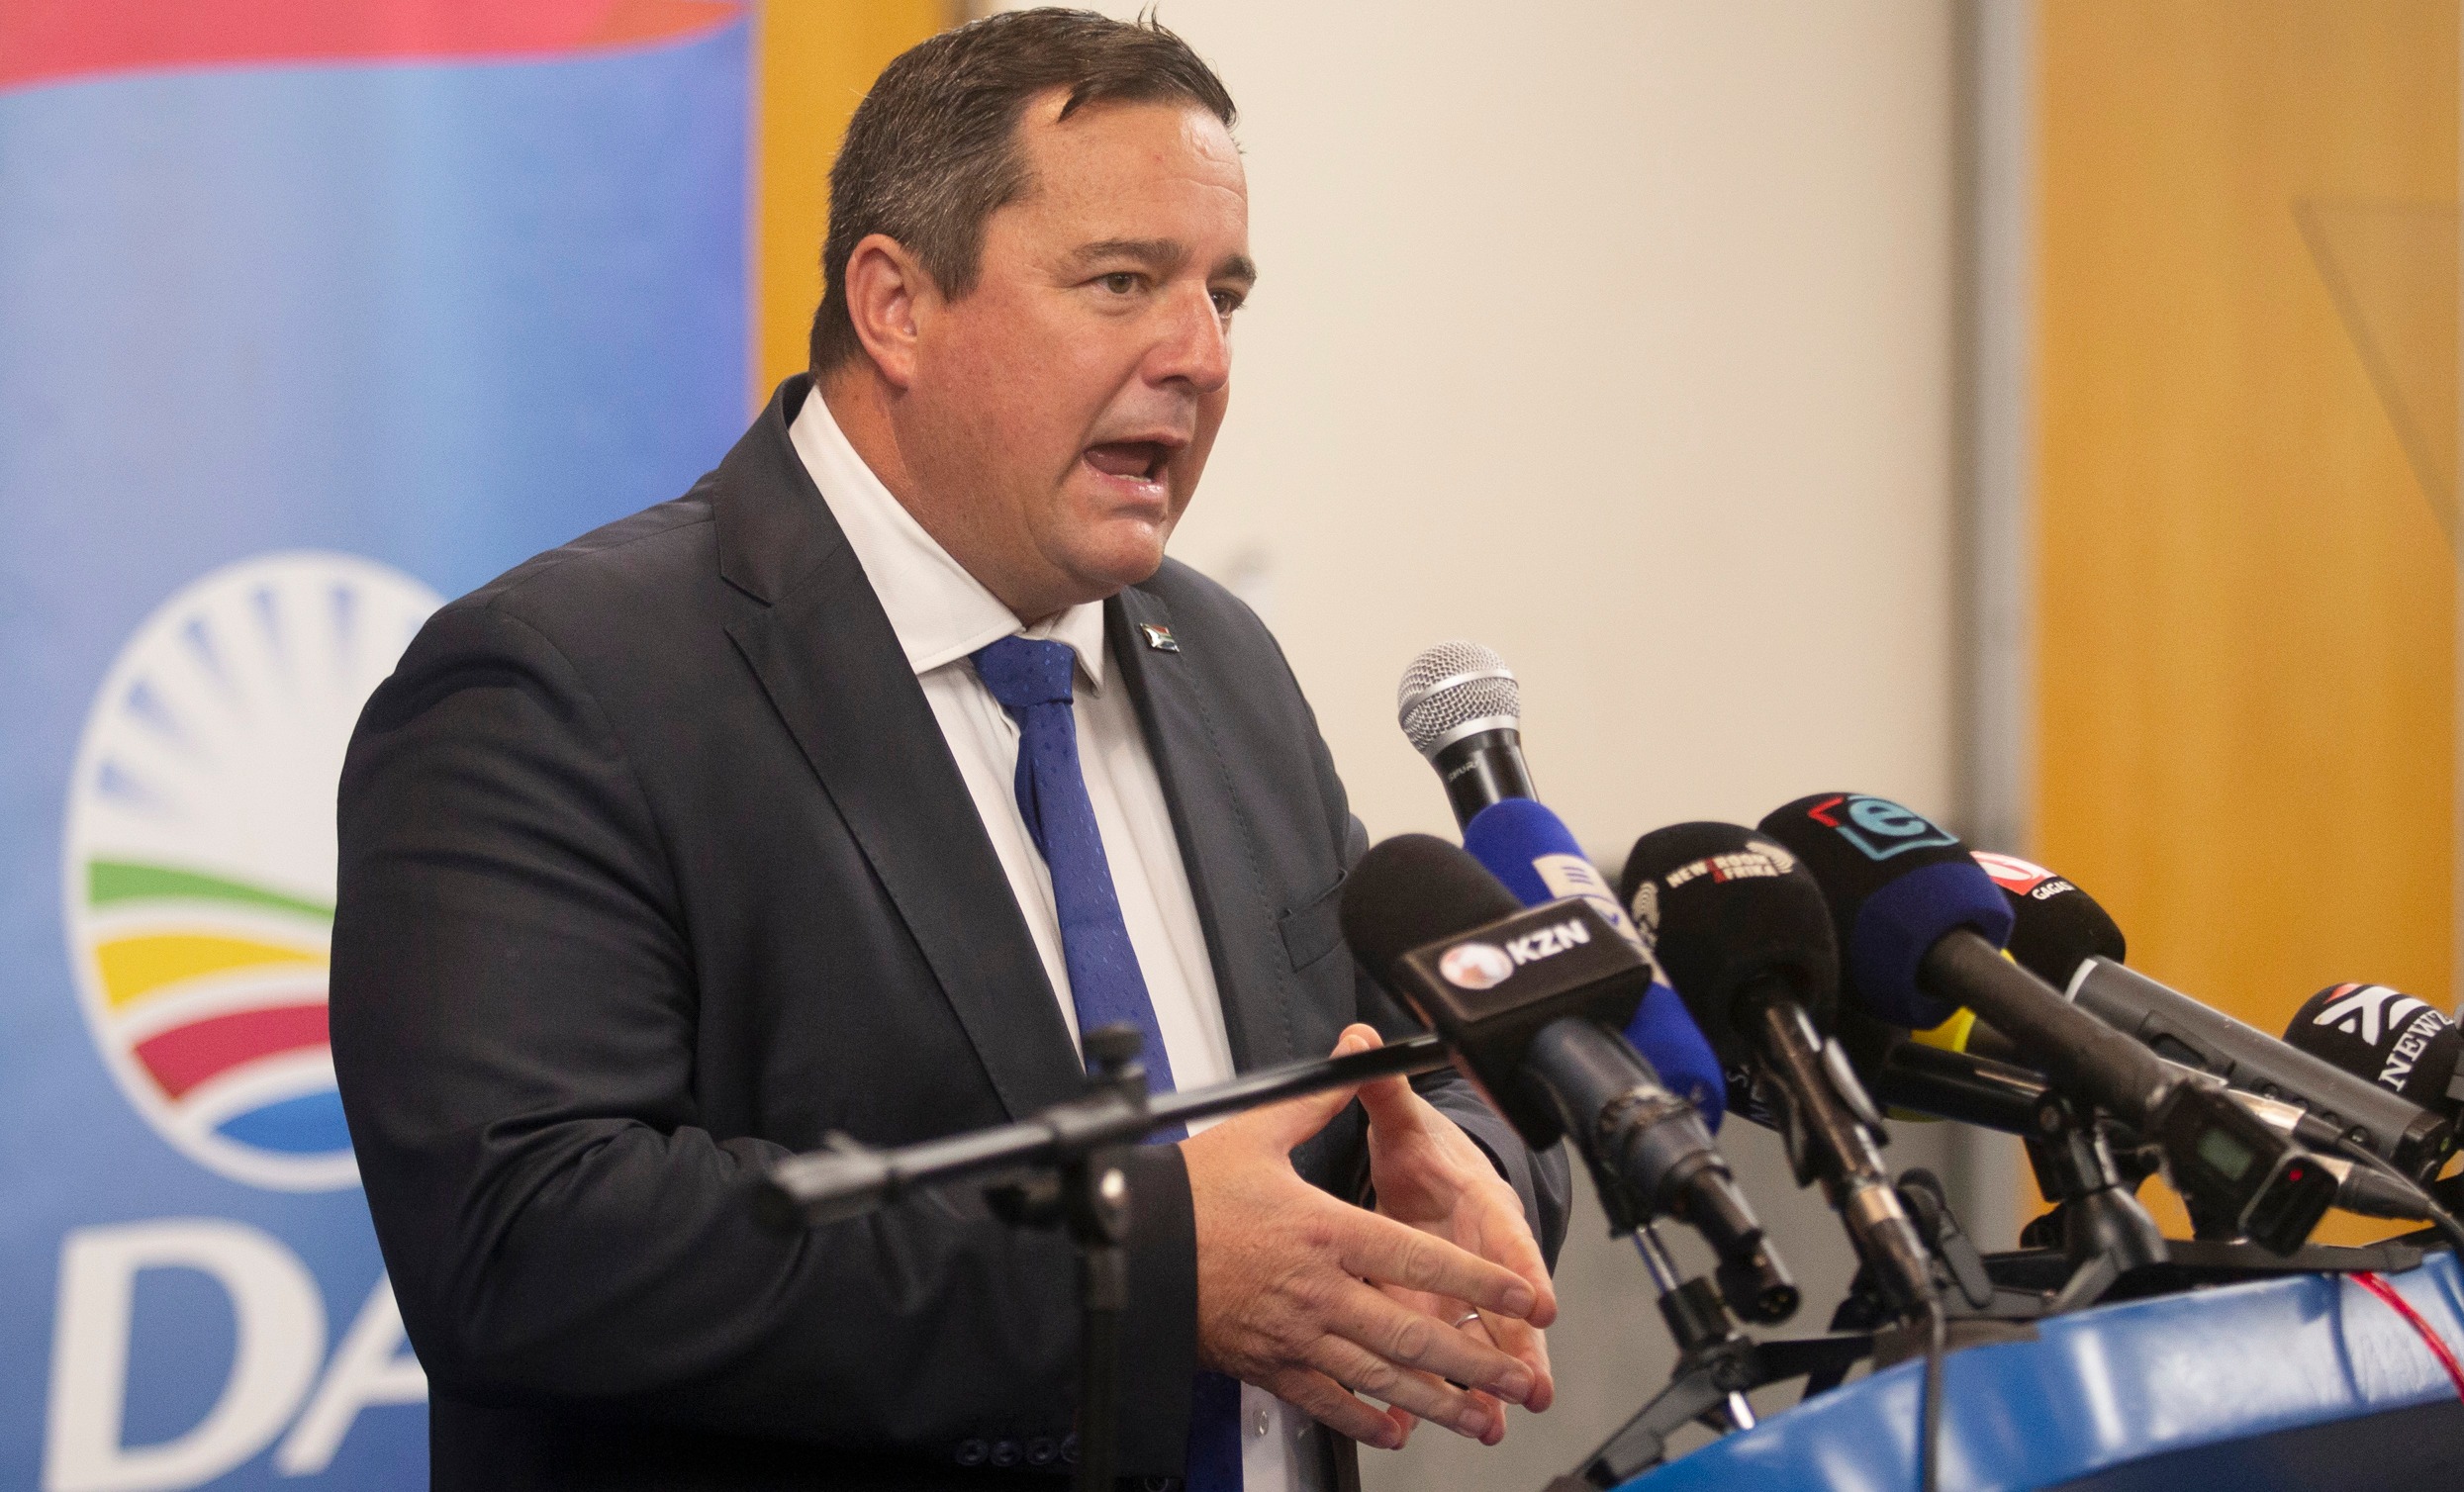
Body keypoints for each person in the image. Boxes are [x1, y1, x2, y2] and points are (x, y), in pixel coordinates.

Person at [331, 11, 1570, 1490]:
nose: (1197, 356)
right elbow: (526, 1248)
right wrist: (1149, 1268)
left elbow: (1419, 1056)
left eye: (1223, 295)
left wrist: (1457, 1173)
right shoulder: (561, 682)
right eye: (1121, 283)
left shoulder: (1217, 657)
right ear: (894, 303)